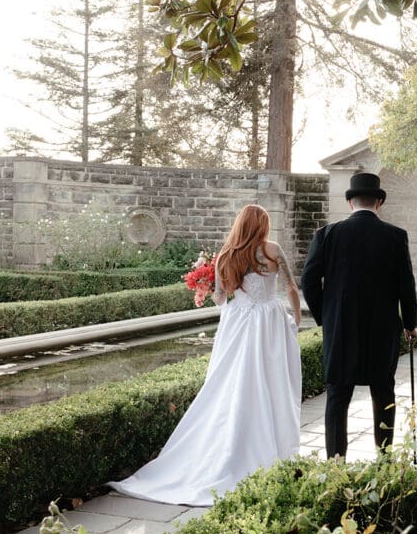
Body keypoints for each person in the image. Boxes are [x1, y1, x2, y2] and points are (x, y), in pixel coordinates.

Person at [108, 204, 302, 506]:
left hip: (238, 323)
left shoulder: (226, 255)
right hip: (269, 322)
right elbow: (291, 287)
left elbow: (220, 298)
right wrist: (297, 319)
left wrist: (228, 299)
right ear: (263, 225)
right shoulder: (274, 249)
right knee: (271, 380)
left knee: (232, 382)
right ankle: (270, 443)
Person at [300, 172, 417, 459]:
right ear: (379, 202)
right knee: (383, 393)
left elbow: (308, 281)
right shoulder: (395, 236)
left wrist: (325, 317)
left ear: (350, 202)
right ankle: (385, 459)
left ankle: (336, 465)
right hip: (382, 330)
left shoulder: (327, 234)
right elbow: (407, 285)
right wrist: (411, 324)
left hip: (340, 329)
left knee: (338, 397)